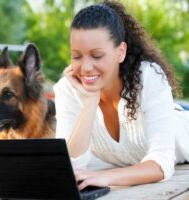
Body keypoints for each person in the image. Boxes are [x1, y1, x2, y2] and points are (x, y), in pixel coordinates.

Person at [53, 0, 189, 189]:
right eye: (77, 56)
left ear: (121, 52)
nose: (85, 67)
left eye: (97, 55)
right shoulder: (68, 89)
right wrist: (90, 100)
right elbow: (70, 164)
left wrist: (105, 177)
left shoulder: (148, 77)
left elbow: (161, 164)